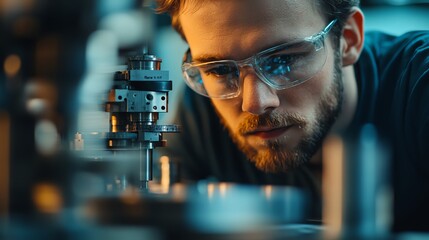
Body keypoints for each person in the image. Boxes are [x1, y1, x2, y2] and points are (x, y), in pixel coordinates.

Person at [156, 0, 429, 232]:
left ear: (348, 39)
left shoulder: (419, 88)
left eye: (282, 59)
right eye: (220, 71)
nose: (255, 103)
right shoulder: (204, 107)